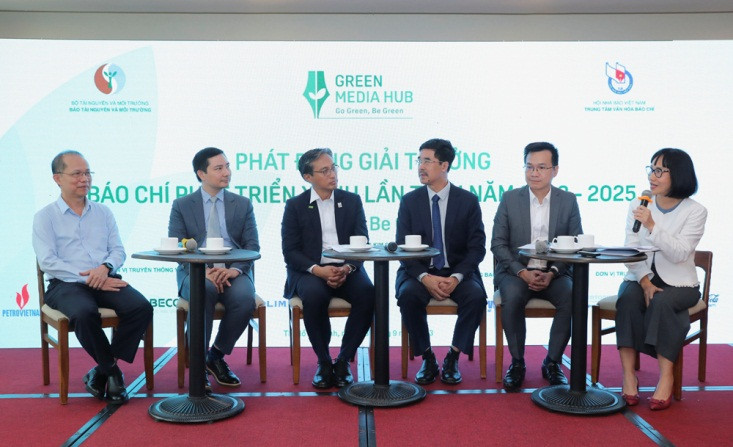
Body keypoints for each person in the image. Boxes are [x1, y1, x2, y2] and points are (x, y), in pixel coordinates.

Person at [32, 150, 153, 404]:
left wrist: (105, 268)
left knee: (141, 307)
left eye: (87, 173)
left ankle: (102, 370)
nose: (84, 179)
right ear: (57, 178)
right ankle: (113, 372)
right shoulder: (45, 217)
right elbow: (48, 261)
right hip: (65, 284)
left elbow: (118, 250)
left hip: (105, 277)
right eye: (77, 173)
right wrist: (89, 278)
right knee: (84, 313)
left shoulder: (103, 212)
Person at [616, 148, 706, 410]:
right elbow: (630, 248)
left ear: (677, 174)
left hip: (681, 283)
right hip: (641, 277)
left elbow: (679, 253)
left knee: (663, 302)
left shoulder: (695, 211)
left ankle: (666, 376)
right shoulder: (639, 203)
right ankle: (628, 375)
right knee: (628, 299)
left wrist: (652, 226)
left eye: (659, 171)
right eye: (651, 169)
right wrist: (644, 281)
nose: (652, 177)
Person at [491, 141, 582, 391]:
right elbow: (498, 243)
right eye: (529, 167)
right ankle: (517, 362)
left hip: (555, 272)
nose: (534, 173)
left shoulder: (568, 201)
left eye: (541, 167)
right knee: (512, 295)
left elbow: (575, 243)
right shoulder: (510, 199)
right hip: (516, 271)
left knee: (571, 296)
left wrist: (553, 272)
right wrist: (521, 272)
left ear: (555, 170)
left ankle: (552, 362)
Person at [281, 148, 375, 389]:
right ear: (308, 177)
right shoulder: (295, 205)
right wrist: (317, 270)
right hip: (311, 271)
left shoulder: (351, 201)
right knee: (314, 295)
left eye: (333, 168)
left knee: (368, 293)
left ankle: (343, 360)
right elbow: (290, 251)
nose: (332, 174)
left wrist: (348, 268)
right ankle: (323, 361)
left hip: (346, 267)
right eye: (324, 171)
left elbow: (362, 241)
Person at [395, 138, 487, 385]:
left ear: (444, 165)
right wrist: (425, 277)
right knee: (408, 296)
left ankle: (452, 357)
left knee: (476, 297)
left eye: (427, 161)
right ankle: (427, 358)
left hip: (457, 272)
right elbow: (402, 248)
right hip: (419, 272)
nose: (420, 167)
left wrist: (456, 277)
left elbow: (477, 248)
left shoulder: (467, 200)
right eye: (419, 161)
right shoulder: (409, 201)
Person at [169, 147, 260, 388]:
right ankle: (198, 367)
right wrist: (203, 271)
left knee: (244, 299)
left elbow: (252, 246)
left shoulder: (242, 204)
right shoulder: (182, 205)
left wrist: (234, 270)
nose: (226, 172)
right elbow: (176, 245)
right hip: (195, 271)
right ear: (201, 174)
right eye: (219, 168)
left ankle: (216, 355)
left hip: (233, 271)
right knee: (204, 291)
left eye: (227, 166)